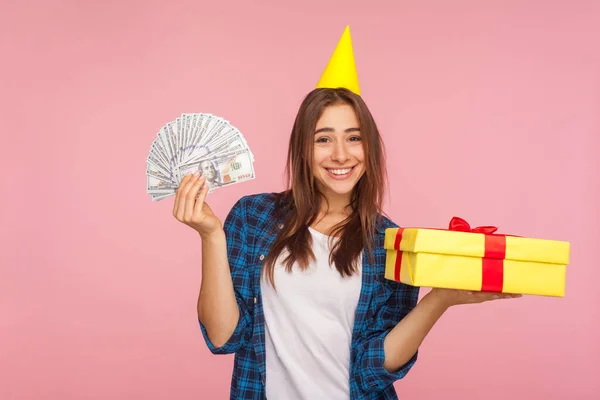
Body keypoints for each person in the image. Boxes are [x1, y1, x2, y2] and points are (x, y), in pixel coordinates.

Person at [172, 27, 521, 400]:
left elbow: (375, 369)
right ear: (303, 149)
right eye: (324, 138)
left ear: (369, 149)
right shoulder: (252, 217)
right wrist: (210, 235)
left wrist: (440, 299)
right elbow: (225, 336)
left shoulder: (391, 243)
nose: (341, 154)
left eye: (354, 138)